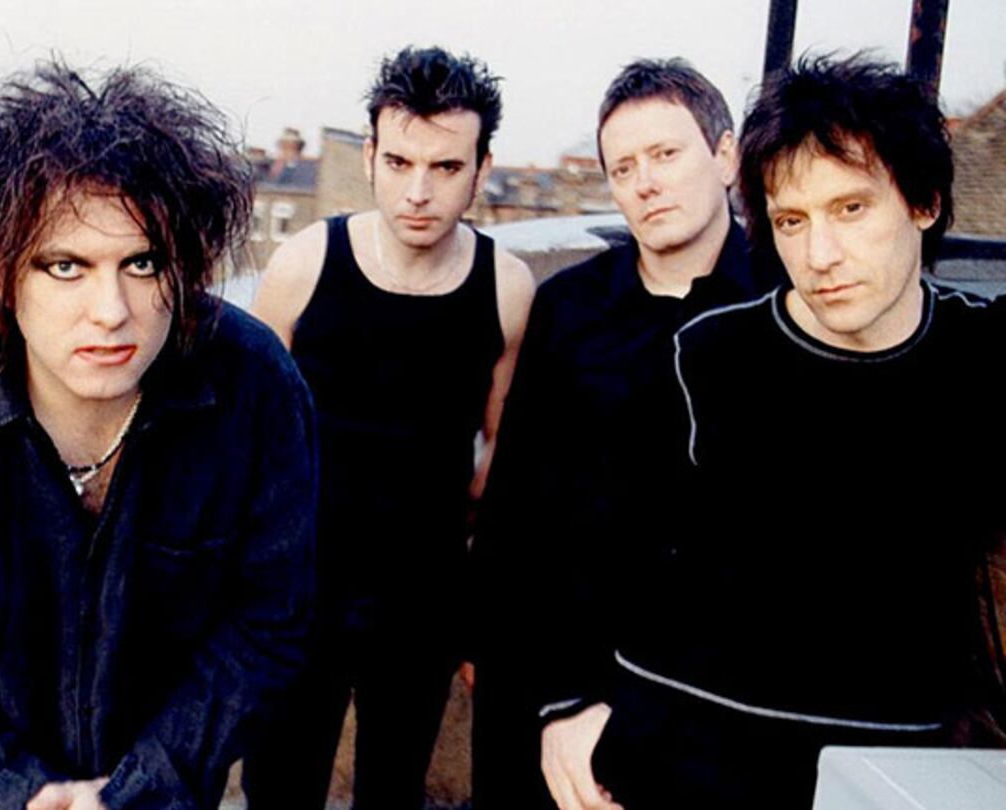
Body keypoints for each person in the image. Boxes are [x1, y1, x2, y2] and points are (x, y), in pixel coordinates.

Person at [0, 60, 316, 810]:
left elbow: (269, 619)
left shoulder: (256, 390)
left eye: (142, 262)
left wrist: (141, 788)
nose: (110, 310)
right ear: (0, 272)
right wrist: (10, 790)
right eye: (65, 266)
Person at [589, 54, 1002, 808]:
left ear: (923, 202)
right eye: (791, 221)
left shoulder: (980, 358)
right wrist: (573, 709)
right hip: (687, 755)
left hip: (893, 765)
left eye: (850, 208)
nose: (820, 256)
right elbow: (595, 553)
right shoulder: (703, 359)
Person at [471, 58, 783, 809]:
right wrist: (496, 648)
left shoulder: (784, 304)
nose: (645, 183)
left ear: (725, 156)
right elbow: (517, 499)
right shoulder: (569, 307)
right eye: (623, 167)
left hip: (710, 697)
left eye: (665, 154)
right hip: (551, 675)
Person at [245, 45, 533, 809]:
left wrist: (477, 611)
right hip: (299, 591)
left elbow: (500, 466)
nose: (418, 191)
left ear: (481, 168)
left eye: (446, 167)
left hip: (423, 599)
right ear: (370, 156)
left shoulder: (506, 288)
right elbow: (246, 442)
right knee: (279, 790)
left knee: (394, 793)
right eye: (400, 162)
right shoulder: (305, 263)